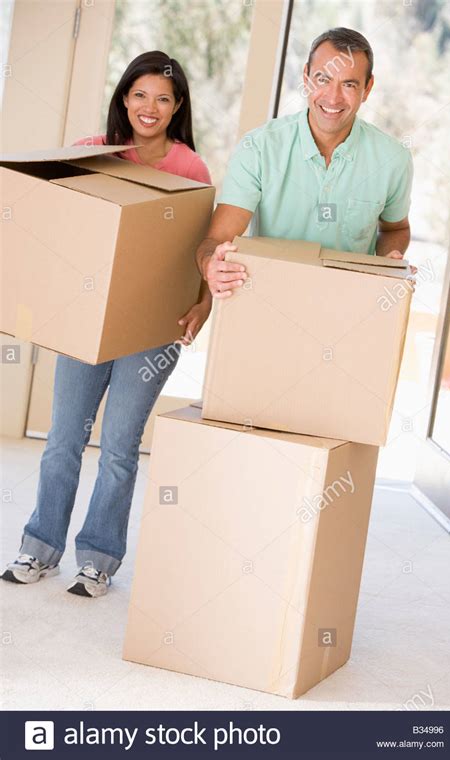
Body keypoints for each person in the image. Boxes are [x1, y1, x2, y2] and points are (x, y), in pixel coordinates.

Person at [2, 51, 212, 598]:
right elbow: (51, 231)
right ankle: (39, 547)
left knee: (119, 446)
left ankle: (98, 558)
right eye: (140, 94)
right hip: (86, 321)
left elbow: (206, 249)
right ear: (124, 97)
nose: (150, 107)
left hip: (151, 328)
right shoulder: (92, 154)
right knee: (63, 439)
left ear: (177, 107)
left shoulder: (189, 169)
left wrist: (202, 304)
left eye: (163, 98)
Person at [195, 27, 416, 295]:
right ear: (306, 78)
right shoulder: (259, 148)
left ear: (367, 89)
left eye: (349, 84)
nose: (333, 97)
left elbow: (396, 229)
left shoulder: (393, 159)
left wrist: (386, 263)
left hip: (347, 305)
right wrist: (211, 265)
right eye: (323, 79)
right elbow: (215, 240)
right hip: (266, 298)